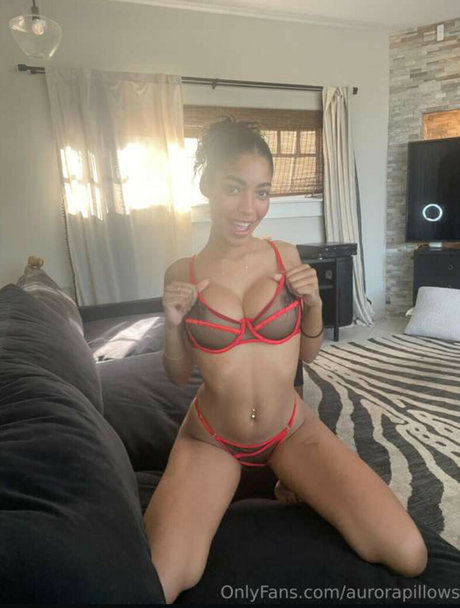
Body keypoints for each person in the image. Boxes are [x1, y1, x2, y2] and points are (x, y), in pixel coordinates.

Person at [143, 118, 427, 603]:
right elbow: (178, 375)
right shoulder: (181, 272)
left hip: (289, 430)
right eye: (234, 188)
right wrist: (171, 324)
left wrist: (314, 305)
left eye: (262, 192)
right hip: (212, 439)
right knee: (161, 582)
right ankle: (277, 481)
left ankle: (285, 477)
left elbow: (308, 353)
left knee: (409, 553)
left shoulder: (285, 256)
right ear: (207, 185)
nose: (248, 208)